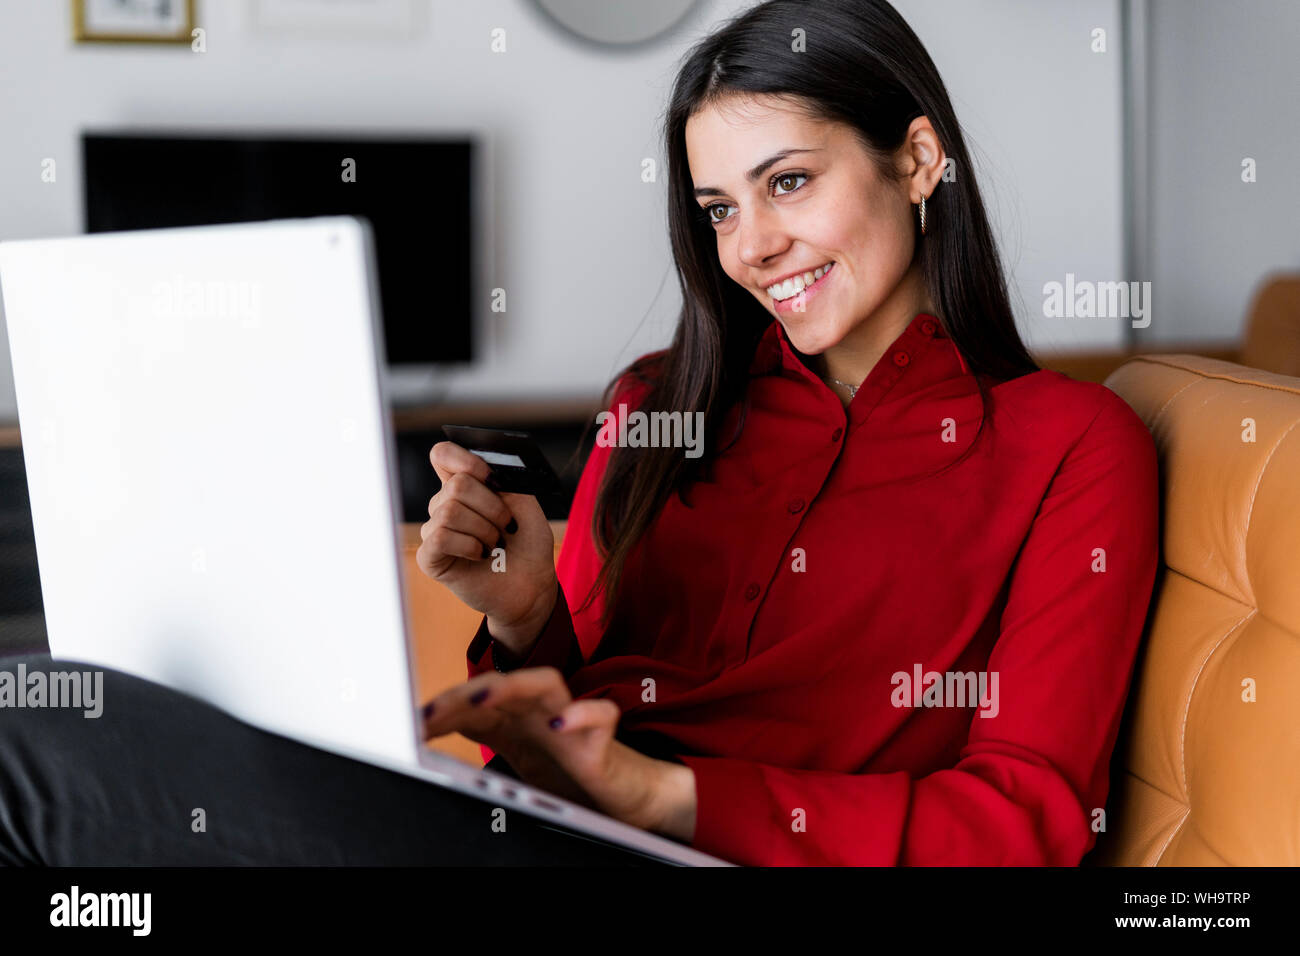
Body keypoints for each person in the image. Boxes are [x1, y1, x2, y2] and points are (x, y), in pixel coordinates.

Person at [0, 0, 1157, 866]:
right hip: (533, 825)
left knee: (31, 749)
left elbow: (1028, 819)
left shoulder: (1068, 444)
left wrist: (665, 799)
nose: (749, 246)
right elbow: (576, 707)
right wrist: (522, 615)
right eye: (717, 209)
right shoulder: (657, 402)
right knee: (56, 699)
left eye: (789, 182)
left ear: (914, 160)